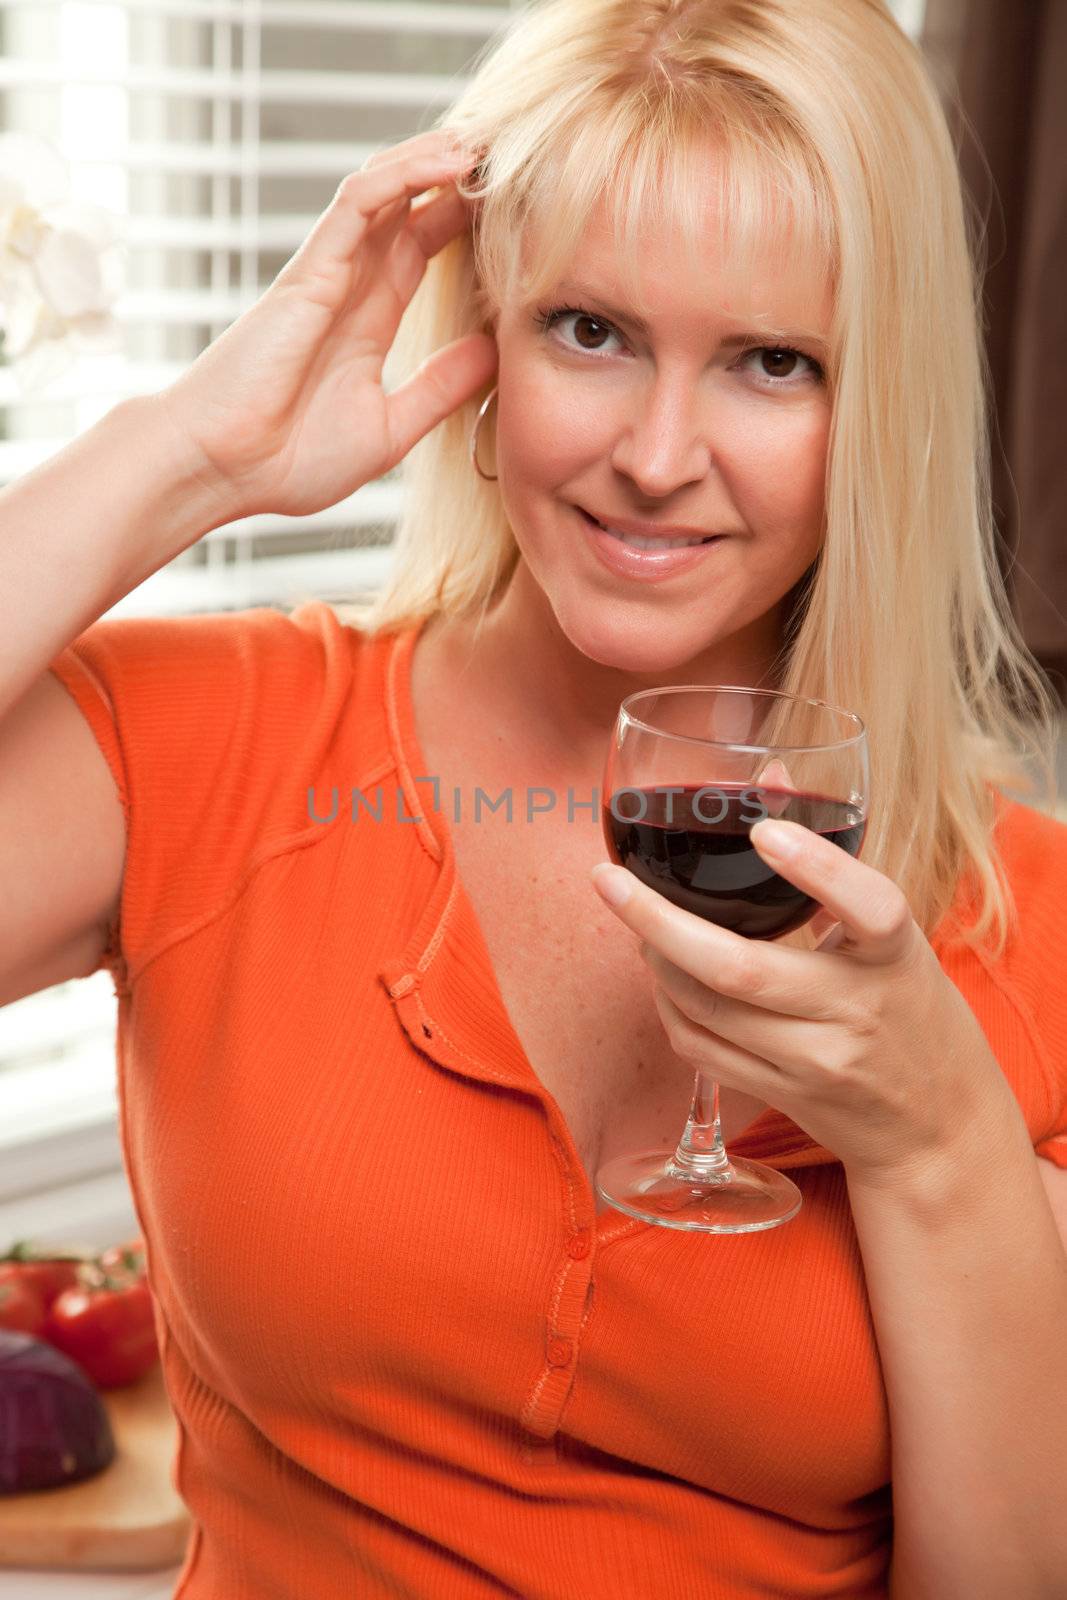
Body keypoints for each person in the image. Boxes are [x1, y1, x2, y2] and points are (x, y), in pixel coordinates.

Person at [2, 0, 1066, 1594]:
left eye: (772, 363)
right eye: (592, 331)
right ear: (482, 330)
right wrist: (192, 458)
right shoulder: (214, 744)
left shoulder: (1032, 920)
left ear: (880, 408)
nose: (654, 453)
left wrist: (938, 1146)